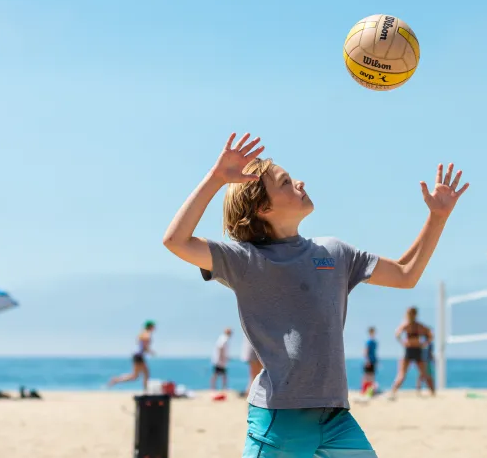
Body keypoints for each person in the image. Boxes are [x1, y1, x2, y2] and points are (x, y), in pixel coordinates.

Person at [162, 132, 468, 457]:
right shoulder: (245, 259)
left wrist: (437, 218)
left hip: (336, 417)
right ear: (264, 207)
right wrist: (216, 178)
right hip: (280, 420)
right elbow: (176, 241)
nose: (301, 183)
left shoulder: (334, 252)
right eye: (286, 183)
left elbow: (406, 274)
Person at [389, 307, 435, 398]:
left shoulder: (412, 325)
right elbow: (397, 334)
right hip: (412, 350)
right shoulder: (412, 325)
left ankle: (433, 392)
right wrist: (424, 343)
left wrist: (424, 343)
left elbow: (397, 334)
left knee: (423, 373)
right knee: (403, 374)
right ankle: (393, 392)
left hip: (414, 350)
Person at [108, 321, 156, 391]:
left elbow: (140, 343)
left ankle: (116, 379)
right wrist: (150, 351)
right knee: (145, 374)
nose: (154, 328)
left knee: (135, 376)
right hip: (139, 356)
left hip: (137, 355)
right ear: (150, 326)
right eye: (153, 326)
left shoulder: (142, 333)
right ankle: (146, 390)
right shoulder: (146, 334)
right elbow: (144, 345)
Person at [362, 327, 378, 395]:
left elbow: (374, 352)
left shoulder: (374, 341)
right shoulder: (369, 341)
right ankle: (364, 390)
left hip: (373, 360)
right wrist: (367, 360)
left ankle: (370, 391)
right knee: (367, 376)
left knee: (372, 376)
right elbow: (365, 351)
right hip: (369, 361)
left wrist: (376, 361)